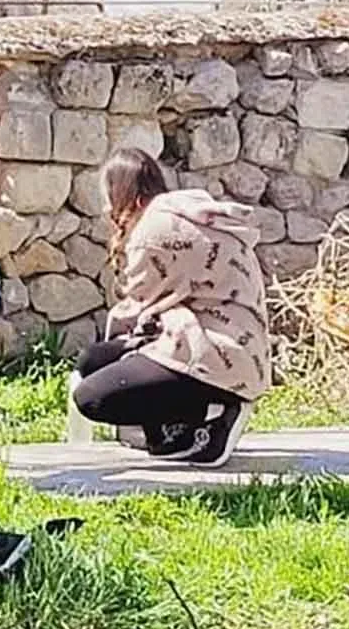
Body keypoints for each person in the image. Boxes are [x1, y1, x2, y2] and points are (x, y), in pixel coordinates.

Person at [68, 146, 272, 468]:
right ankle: (177, 427)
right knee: (95, 361)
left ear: (126, 196)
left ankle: (216, 413)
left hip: (217, 352)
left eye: (109, 199)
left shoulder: (152, 232)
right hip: (231, 343)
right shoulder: (184, 210)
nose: (107, 210)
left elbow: (135, 305)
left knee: (92, 397)